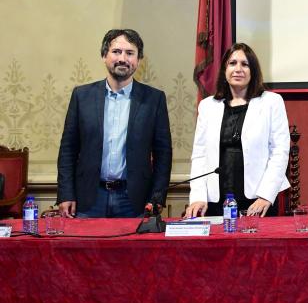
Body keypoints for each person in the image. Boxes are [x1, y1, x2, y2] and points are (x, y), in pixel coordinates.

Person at [57, 29, 173, 218]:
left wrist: (157, 197)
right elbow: (68, 150)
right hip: (88, 199)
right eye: (116, 52)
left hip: (135, 201)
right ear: (104, 56)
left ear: (139, 60)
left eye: (130, 53)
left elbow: (163, 154)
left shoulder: (154, 99)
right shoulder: (82, 96)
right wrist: (66, 194)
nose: (123, 59)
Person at [185, 43, 290, 218]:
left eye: (245, 64)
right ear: (224, 70)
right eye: (232, 63)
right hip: (215, 200)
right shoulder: (208, 106)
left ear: (253, 70)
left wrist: (266, 196)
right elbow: (199, 155)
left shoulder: (272, 102)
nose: (238, 69)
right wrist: (198, 197)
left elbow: (280, 152)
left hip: (257, 199)